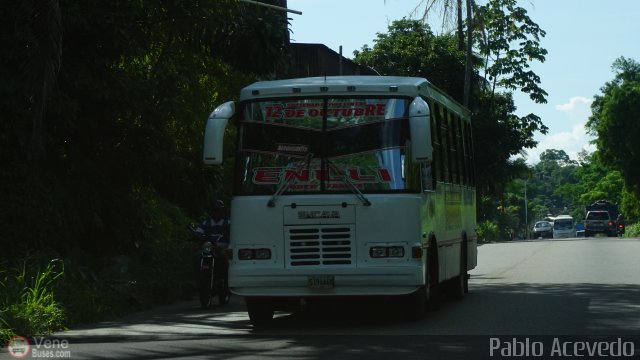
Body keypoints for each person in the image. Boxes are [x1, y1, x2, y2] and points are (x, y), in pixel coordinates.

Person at [193, 199, 230, 292]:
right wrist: (197, 236)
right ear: (211, 211)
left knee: (227, 259)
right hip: (209, 247)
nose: (217, 212)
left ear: (223, 211)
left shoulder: (228, 223)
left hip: (224, 248)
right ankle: (199, 279)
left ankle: (227, 282)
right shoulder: (206, 222)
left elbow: (235, 233)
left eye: (219, 210)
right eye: (215, 210)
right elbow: (198, 231)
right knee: (198, 255)